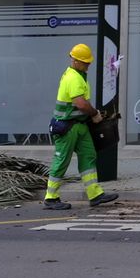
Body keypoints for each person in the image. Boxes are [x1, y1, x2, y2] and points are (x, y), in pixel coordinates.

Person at [43, 43, 118, 210]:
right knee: (62, 161)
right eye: (85, 62)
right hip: (67, 127)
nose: (88, 65)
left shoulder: (79, 75)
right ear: (75, 60)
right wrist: (95, 114)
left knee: (89, 156)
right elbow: (81, 104)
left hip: (79, 126)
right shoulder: (73, 78)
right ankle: (51, 197)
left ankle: (95, 194)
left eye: (88, 62)